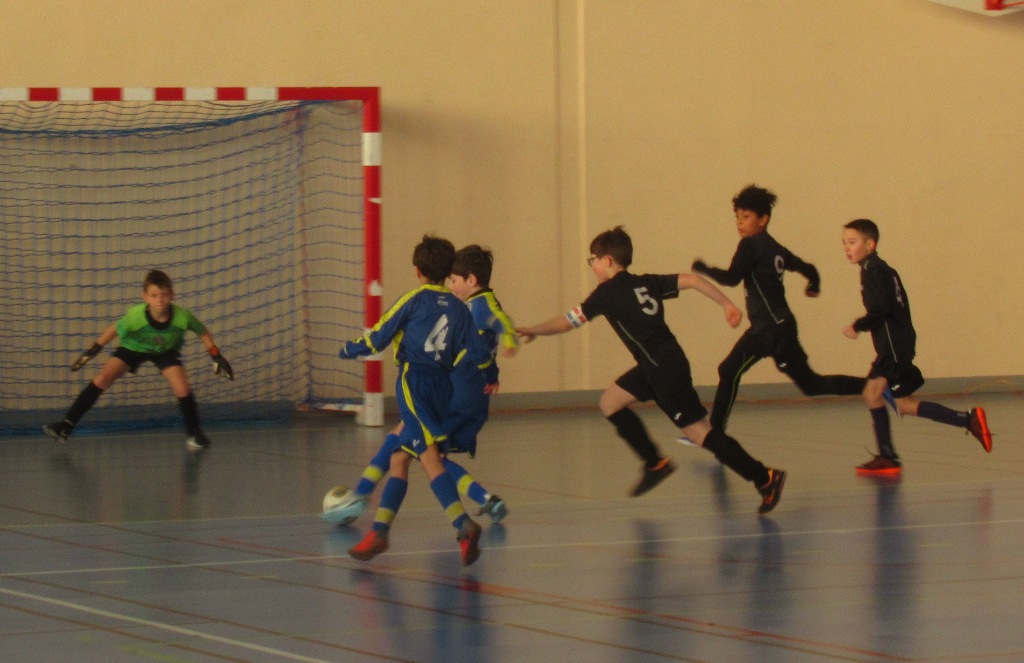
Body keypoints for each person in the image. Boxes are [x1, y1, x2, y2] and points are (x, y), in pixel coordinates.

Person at [517, 226, 786, 514]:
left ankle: (764, 477)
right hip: (657, 363)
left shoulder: (605, 293)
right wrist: (726, 304)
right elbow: (693, 280)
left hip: (662, 369)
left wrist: (533, 330)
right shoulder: (646, 282)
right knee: (610, 402)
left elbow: (567, 322)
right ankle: (654, 463)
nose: (592, 265)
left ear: (607, 261)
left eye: (593, 260)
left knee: (700, 434)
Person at [338, 235, 493, 565]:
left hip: (414, 383)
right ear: (448, 271)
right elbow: (480, 352)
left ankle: (463, 525)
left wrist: (350, 349)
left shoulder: (413, 299)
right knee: (399, 459)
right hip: (443, 389)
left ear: (417, 270)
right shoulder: (460, 308)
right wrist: (492, 376)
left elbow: (378, 336)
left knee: (429, 458)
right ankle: (379, 533)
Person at [692, 184, 865, 432]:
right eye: (737, 217)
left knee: (728, 370)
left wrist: (704, 268)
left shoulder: (749, 246)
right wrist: (813, 285)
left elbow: (731, 278)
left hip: (767, 330)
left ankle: (715, 433)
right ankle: (872, 385)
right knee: (811, 385)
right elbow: (809, 268)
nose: (739, 222)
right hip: (783, 326)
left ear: (763, 219)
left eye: (746, 217)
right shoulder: (775, 248)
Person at [841, 218, 992, 474]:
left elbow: (881, 310)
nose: (847, 248)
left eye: (852, 242)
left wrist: (858, 326)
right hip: (895, 345)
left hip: (894, 348)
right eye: (844, 243)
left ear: (870, 244)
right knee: (882, 397)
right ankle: (890, 455)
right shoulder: (881, 269)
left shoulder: (873, 271)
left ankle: (966, 421)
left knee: (892, 400)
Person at [43, 269, 234, 451]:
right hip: (132, 348)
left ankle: (194, 434)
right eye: (154, 295)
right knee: (102, 379)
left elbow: (203, 332)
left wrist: (215, 354)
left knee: (182, 387)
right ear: (145, 297)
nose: (160, 300)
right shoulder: (136, 316)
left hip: (165, 351)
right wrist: (94, 350)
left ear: (172, 295)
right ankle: (66, 426)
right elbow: (114, 329)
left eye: (164, 295)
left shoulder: (183, 317)